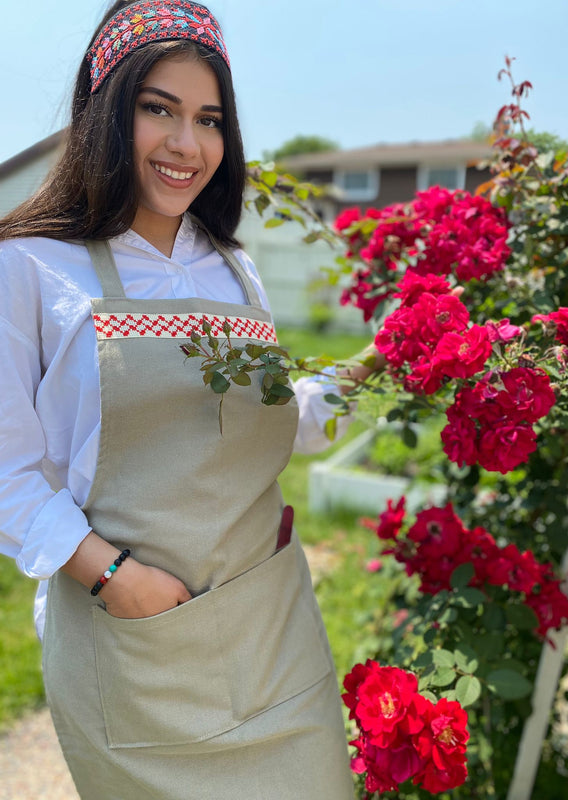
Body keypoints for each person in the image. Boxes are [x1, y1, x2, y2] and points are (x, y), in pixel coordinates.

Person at [0, 2, 367, 797]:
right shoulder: (30, 267)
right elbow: (8, 472)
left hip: (271, 630)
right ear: (104, 110)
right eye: (156, 108)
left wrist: (372, 371)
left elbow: (276, 425)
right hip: (132, 644)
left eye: (209, 118)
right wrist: (112, 577)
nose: (186, 144)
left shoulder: (232, 266)